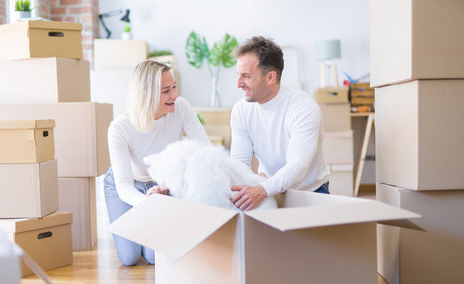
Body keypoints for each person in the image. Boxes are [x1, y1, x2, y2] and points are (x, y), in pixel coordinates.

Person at [104, 60, 211, 266]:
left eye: (174, 87)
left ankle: (148, 229)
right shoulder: (120, 127)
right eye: (166, 91)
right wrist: (148, 203)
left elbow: (204, 150)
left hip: (162, 186)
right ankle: (144, 226)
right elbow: (124, 187)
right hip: (127, 186)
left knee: (155, 259)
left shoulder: (181, 107)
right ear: (146, 94)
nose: (175, 96)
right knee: (129, 258)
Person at [230, 36, 330, 211]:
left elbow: (298, 164)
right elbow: (239, 163)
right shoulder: (241, 110)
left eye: (245, 76)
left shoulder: (303, 107)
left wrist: (262, 188)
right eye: (238, 75)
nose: (239, 84)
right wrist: (257, 185)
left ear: (270, 77)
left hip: (310, 192)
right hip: (268, 188)